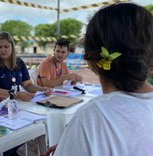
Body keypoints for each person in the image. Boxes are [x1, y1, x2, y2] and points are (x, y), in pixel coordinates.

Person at [42, 2, 153, 156]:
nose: (60, 54)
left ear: (92, 60)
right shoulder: (92, 122)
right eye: (58, 51)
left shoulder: (91, 119)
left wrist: (77, 140)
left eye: (63, 51)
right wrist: (74, 142)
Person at [0, 31, 51, 101]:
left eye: (6, 46)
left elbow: (27, 84)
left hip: (15, 103)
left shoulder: (19, 63)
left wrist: (41, 89)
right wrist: (17, 95)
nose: (3, 50)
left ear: (12, 47)